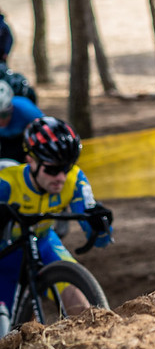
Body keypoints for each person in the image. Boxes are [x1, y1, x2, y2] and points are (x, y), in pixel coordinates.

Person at [0, 117, 113, 319]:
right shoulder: (6, 183)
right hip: (6, 252)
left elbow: (98, 232)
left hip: (43, 243)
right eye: (52, 169)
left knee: (81, 306)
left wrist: (99, 226)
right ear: (31, 161)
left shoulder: (75, 179)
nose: (60, 177)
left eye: (66, 168)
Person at [0, 81, 44, 164]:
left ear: (11, 108)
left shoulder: (26, 110)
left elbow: (44, 131)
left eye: (4, 115)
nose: (0, 121)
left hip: (22, 139)